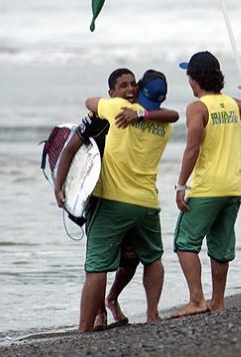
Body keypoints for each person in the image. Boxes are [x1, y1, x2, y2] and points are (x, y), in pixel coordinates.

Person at [54, 68, 178, 330]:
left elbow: (89, 101)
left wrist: (126, 108)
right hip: (144, 203)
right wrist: (61, 184)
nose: (129, 89)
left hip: (112, 200)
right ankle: (150, 314)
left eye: (133, 85)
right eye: (123, 85)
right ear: (112, 91)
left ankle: (85, 327)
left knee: (99, 266)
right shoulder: (164, 124)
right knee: (152, 258)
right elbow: (71, 149)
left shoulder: (116, 108)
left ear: (141, 89)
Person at [173, 51, 241, 317]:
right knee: (220, 245)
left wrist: (181, 185)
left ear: (195, 79)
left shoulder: (197, 108)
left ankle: (196, 300)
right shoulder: (234, 104)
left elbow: (192, 149)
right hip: (233, 188)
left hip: (207, 188)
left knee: (185, 242)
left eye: (189, 77)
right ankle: (218, 302)